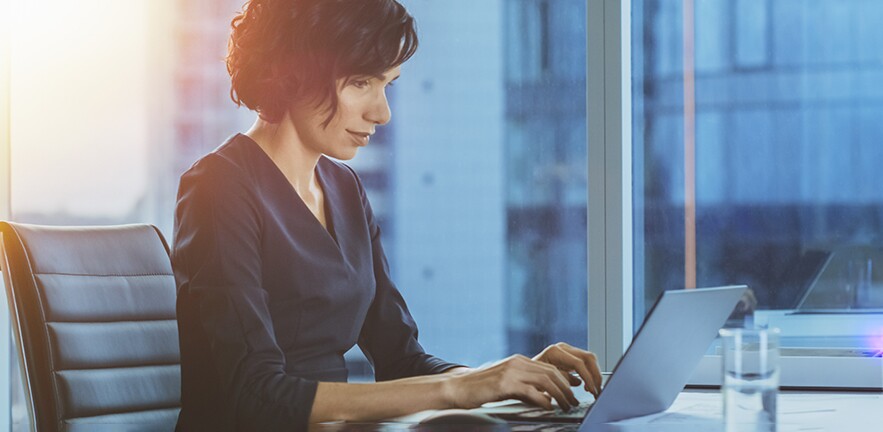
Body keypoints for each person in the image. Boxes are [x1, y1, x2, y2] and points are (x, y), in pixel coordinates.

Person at [171, 0, 602, 430]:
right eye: (360, 83)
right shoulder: (218, 189)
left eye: (386, 85)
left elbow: (402, 359)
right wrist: (456, 390)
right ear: (290, 74)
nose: (381, 113)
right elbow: (256, 394)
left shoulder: (345, 189)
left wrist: (503, 378)